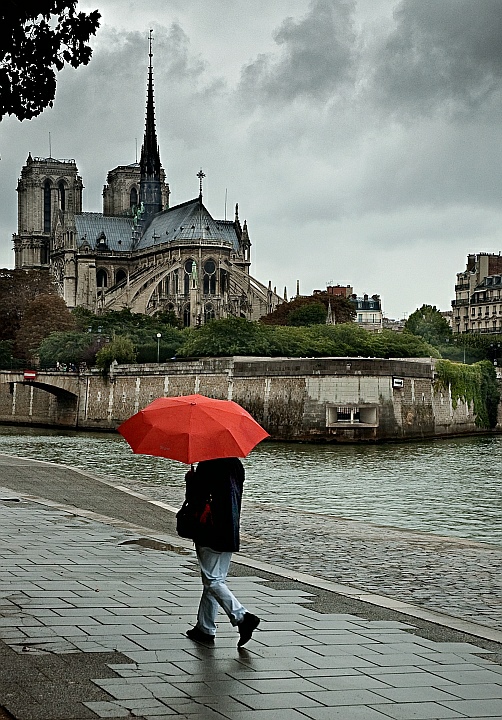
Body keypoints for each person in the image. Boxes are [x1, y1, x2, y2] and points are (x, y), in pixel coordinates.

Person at [184, 456, 260, 647]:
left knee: (213, 580)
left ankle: (242, 617)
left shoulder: (208, 464)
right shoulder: (235, 464)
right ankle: (205, 627)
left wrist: (191, 480)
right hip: (230, 529)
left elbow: (196, 499)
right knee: (214, 579)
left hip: (210, 530)